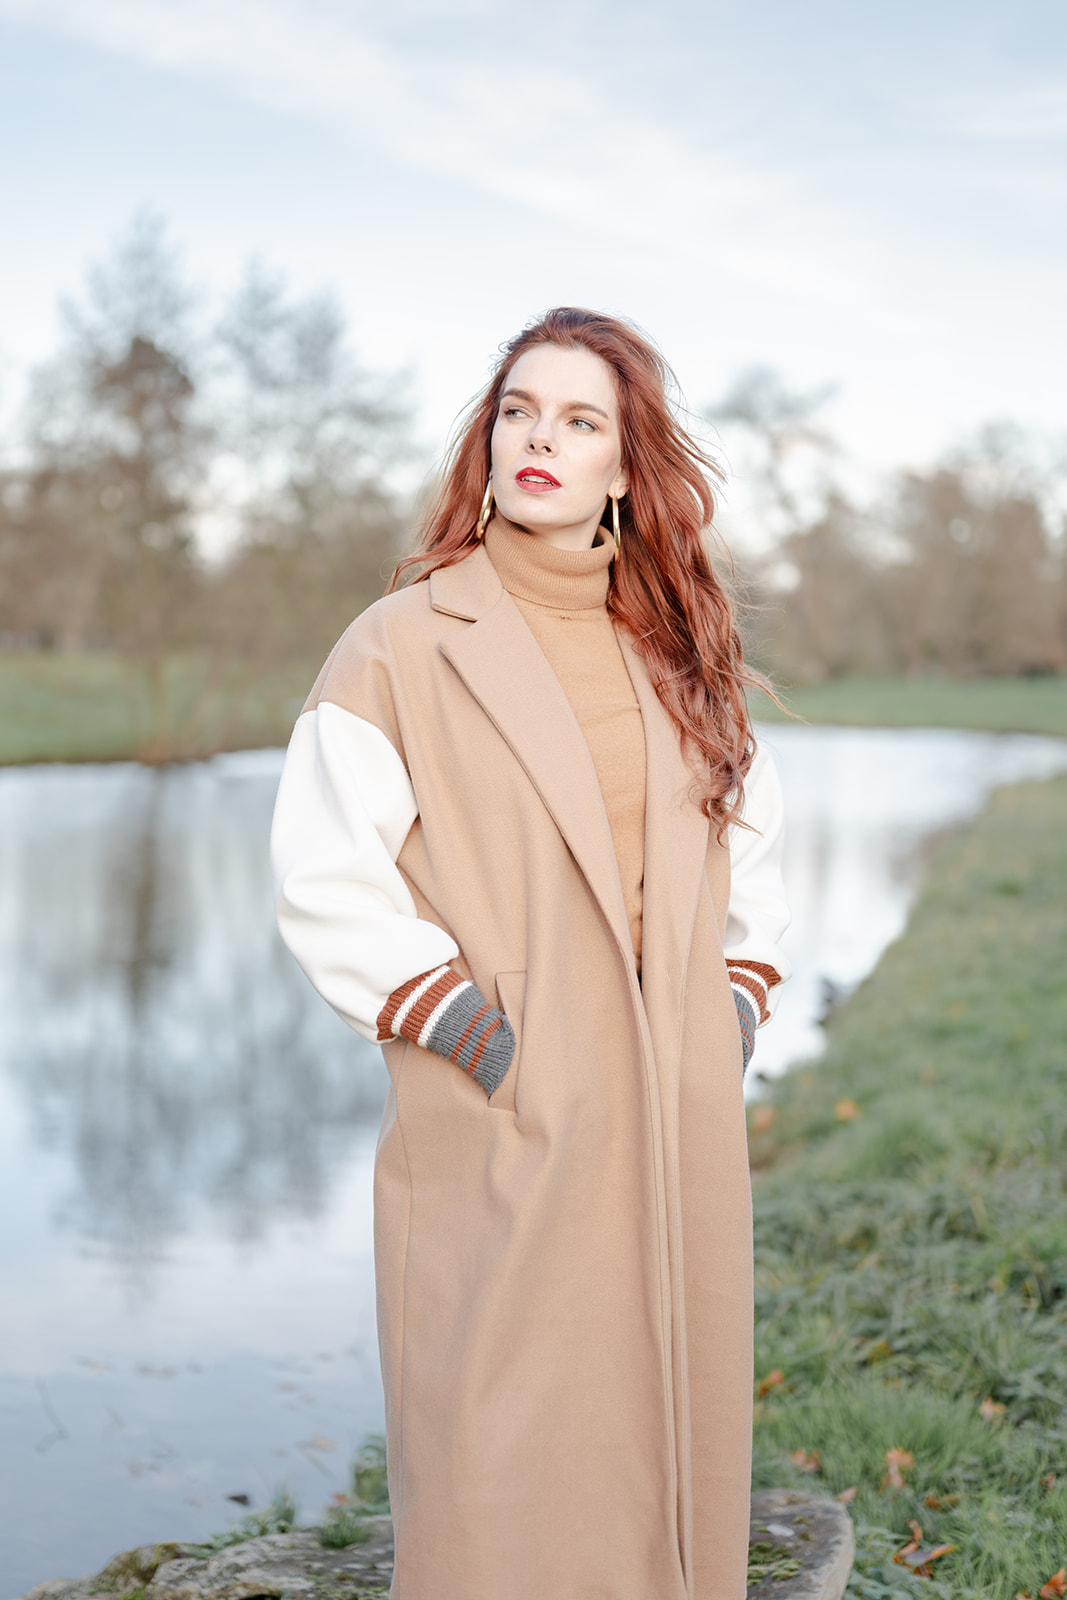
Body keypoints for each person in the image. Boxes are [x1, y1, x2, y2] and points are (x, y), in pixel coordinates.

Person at [270, 307, 790, 1600]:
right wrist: (466, 1029)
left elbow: (755, 848)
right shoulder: (401, 643)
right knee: (497, 1449)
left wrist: (730, 1006)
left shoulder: (676, 649)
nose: (538, 440)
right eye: (517, 411)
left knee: (667, 1431)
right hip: (504, 1106)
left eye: (578, 420)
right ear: (488, 441)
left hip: (673, 1110)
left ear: (624, 467)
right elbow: (325, 874)